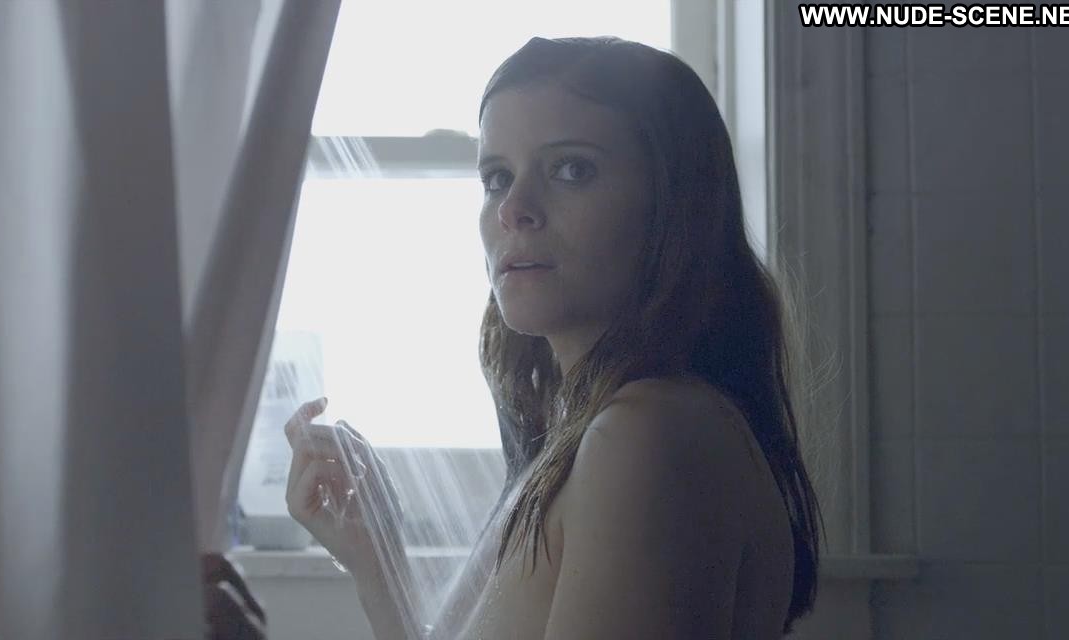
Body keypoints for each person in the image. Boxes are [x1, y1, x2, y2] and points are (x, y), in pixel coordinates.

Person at [282, 36, 823, 639]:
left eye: (572, 169)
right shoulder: (586, 439)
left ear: (675, 203)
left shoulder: (648, 432)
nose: (514, 208)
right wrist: (376, 561)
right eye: (497, 177)